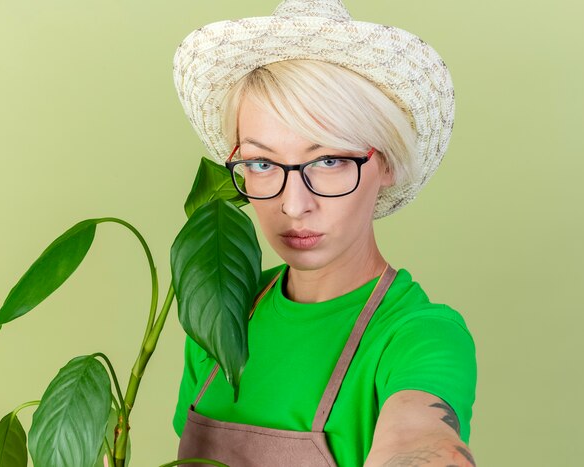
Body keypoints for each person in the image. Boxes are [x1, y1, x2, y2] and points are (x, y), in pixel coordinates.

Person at [171, 1, 477, 466]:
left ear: (387, 163)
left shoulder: (419, 336)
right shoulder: (223, 309)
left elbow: (422, 440)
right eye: (261, 163)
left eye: (330, 161)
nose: (293, 205)